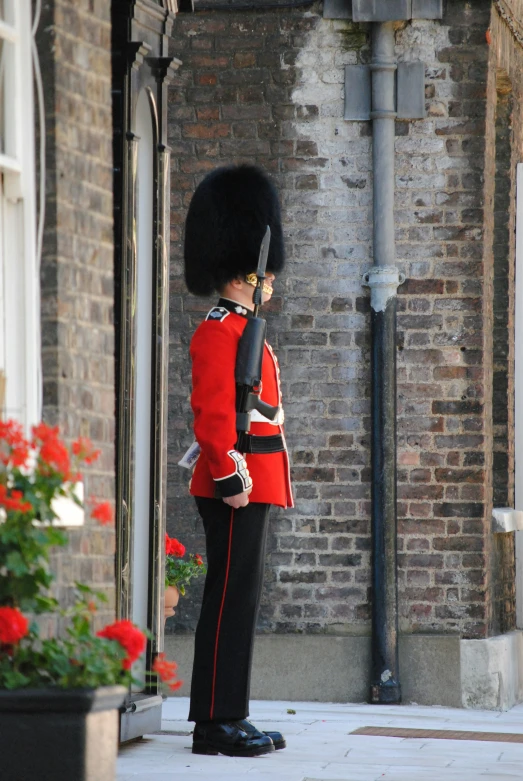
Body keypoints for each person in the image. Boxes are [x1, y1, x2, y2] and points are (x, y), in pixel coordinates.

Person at [183, 164, 293, 758]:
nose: (272, 281)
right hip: (236, 483)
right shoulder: (218, 332)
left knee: (241, 599)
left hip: (256, 481)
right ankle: (213, 725)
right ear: (248, 272)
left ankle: (231, 713)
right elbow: (214, 416)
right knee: (227, 599)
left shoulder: (245, 328)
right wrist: (229, 476)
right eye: (266, 272)